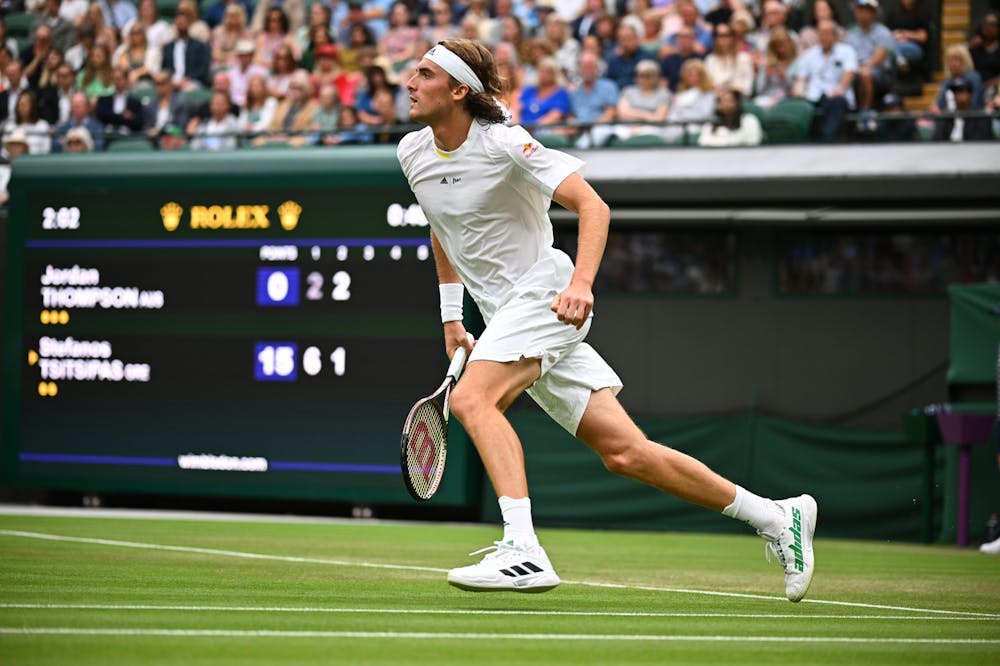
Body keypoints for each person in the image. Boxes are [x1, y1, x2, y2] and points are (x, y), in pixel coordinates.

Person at [396, 38, 817, 601]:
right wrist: (453, 316)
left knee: (473, 400)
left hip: (546, 296)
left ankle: (522, 550)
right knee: (626, 453)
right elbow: (440, 228)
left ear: (457, 90)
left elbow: (595, 207)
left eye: (424, 73)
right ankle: (775, 517)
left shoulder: (504, 142)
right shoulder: (412, 153)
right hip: (503, 315)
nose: (409, 82)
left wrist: (580, 284)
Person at [793, 19, 857, 142]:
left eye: (827, 33)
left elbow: (849, 73)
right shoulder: (809, 54)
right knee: (800, 105)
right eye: (821, 33)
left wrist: (840, 89)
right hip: (813, 96)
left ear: (835, 35)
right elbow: (801, 78)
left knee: (837, 103)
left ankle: (828, 140)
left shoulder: (847, 51)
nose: (824, 37)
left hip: (836, 95)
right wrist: (798, 91)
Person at [845, 0, 896, 121]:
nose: (862, 14)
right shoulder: (850, 34)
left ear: (873, 13)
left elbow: (877, 59)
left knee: (865, 73)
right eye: (859, 10)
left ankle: (864, 113)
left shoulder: (883, 32)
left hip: (880, 74)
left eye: (865, 11)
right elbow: (847, 56)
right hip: (855, 70)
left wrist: (860, 68)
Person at [931, 78, 992, 142]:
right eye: (955, 91)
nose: (957, 94)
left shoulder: (980, 117)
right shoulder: (945, 117)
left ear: (970, 94)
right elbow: (937, 140)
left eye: (961, 90)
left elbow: (981, 142)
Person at [698, 85, 762, 146]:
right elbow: (703, 141)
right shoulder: (712, 122)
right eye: (720, 101)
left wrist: (724, 140)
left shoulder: (749, 120)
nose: (724, 104)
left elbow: (753, 142)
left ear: (737, 103)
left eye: (728, 100)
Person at [704, 20, 753, 97]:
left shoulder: (743, 58)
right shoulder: (710, 59)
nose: (723, 39)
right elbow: (707, 83)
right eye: (719, 35)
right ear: (715, 39)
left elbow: (747, 84)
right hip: (715, 97)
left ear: (732, 38)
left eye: (726, 35)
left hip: (737, 97)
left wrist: (731, 89)